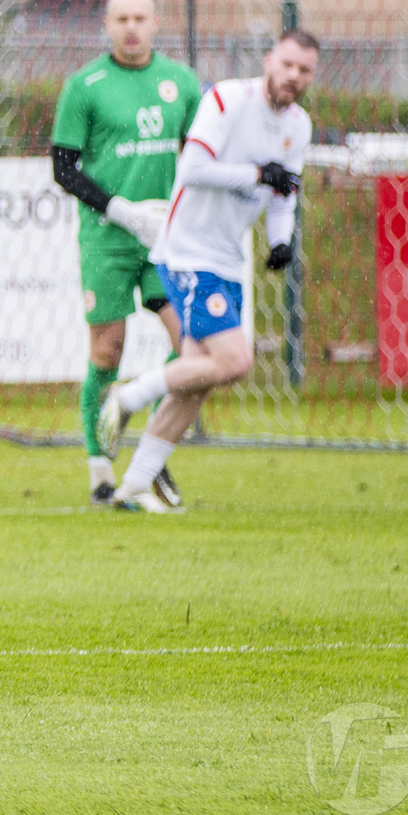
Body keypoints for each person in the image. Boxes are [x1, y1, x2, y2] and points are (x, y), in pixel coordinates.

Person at [99, 30, 318, 512]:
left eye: (305, 70)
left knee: (198, 380)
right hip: (188, 251)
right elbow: (193, 169)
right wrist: (258, 174)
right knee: (235, 361)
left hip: (226, 257)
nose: (294, 77)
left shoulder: (298, 126)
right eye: (288, 65)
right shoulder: (226, 100)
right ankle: (128, 396)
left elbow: (286, 193)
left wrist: (280, 241)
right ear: (269, 61)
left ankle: (133, 487)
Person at [51, 0, 202, 506]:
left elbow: (202, 157)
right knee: (106, 351)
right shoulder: (85, 86)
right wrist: (121, 210)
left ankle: (153, 461)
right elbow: (63, 168)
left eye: (140, 17)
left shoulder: (181, 83)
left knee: (190, 346)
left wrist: (179, 215)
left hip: (166, 242)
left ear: (156, 22)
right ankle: (99, 469)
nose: (131, 27)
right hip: (107, 239)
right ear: (108, 26)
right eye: (122, 19)